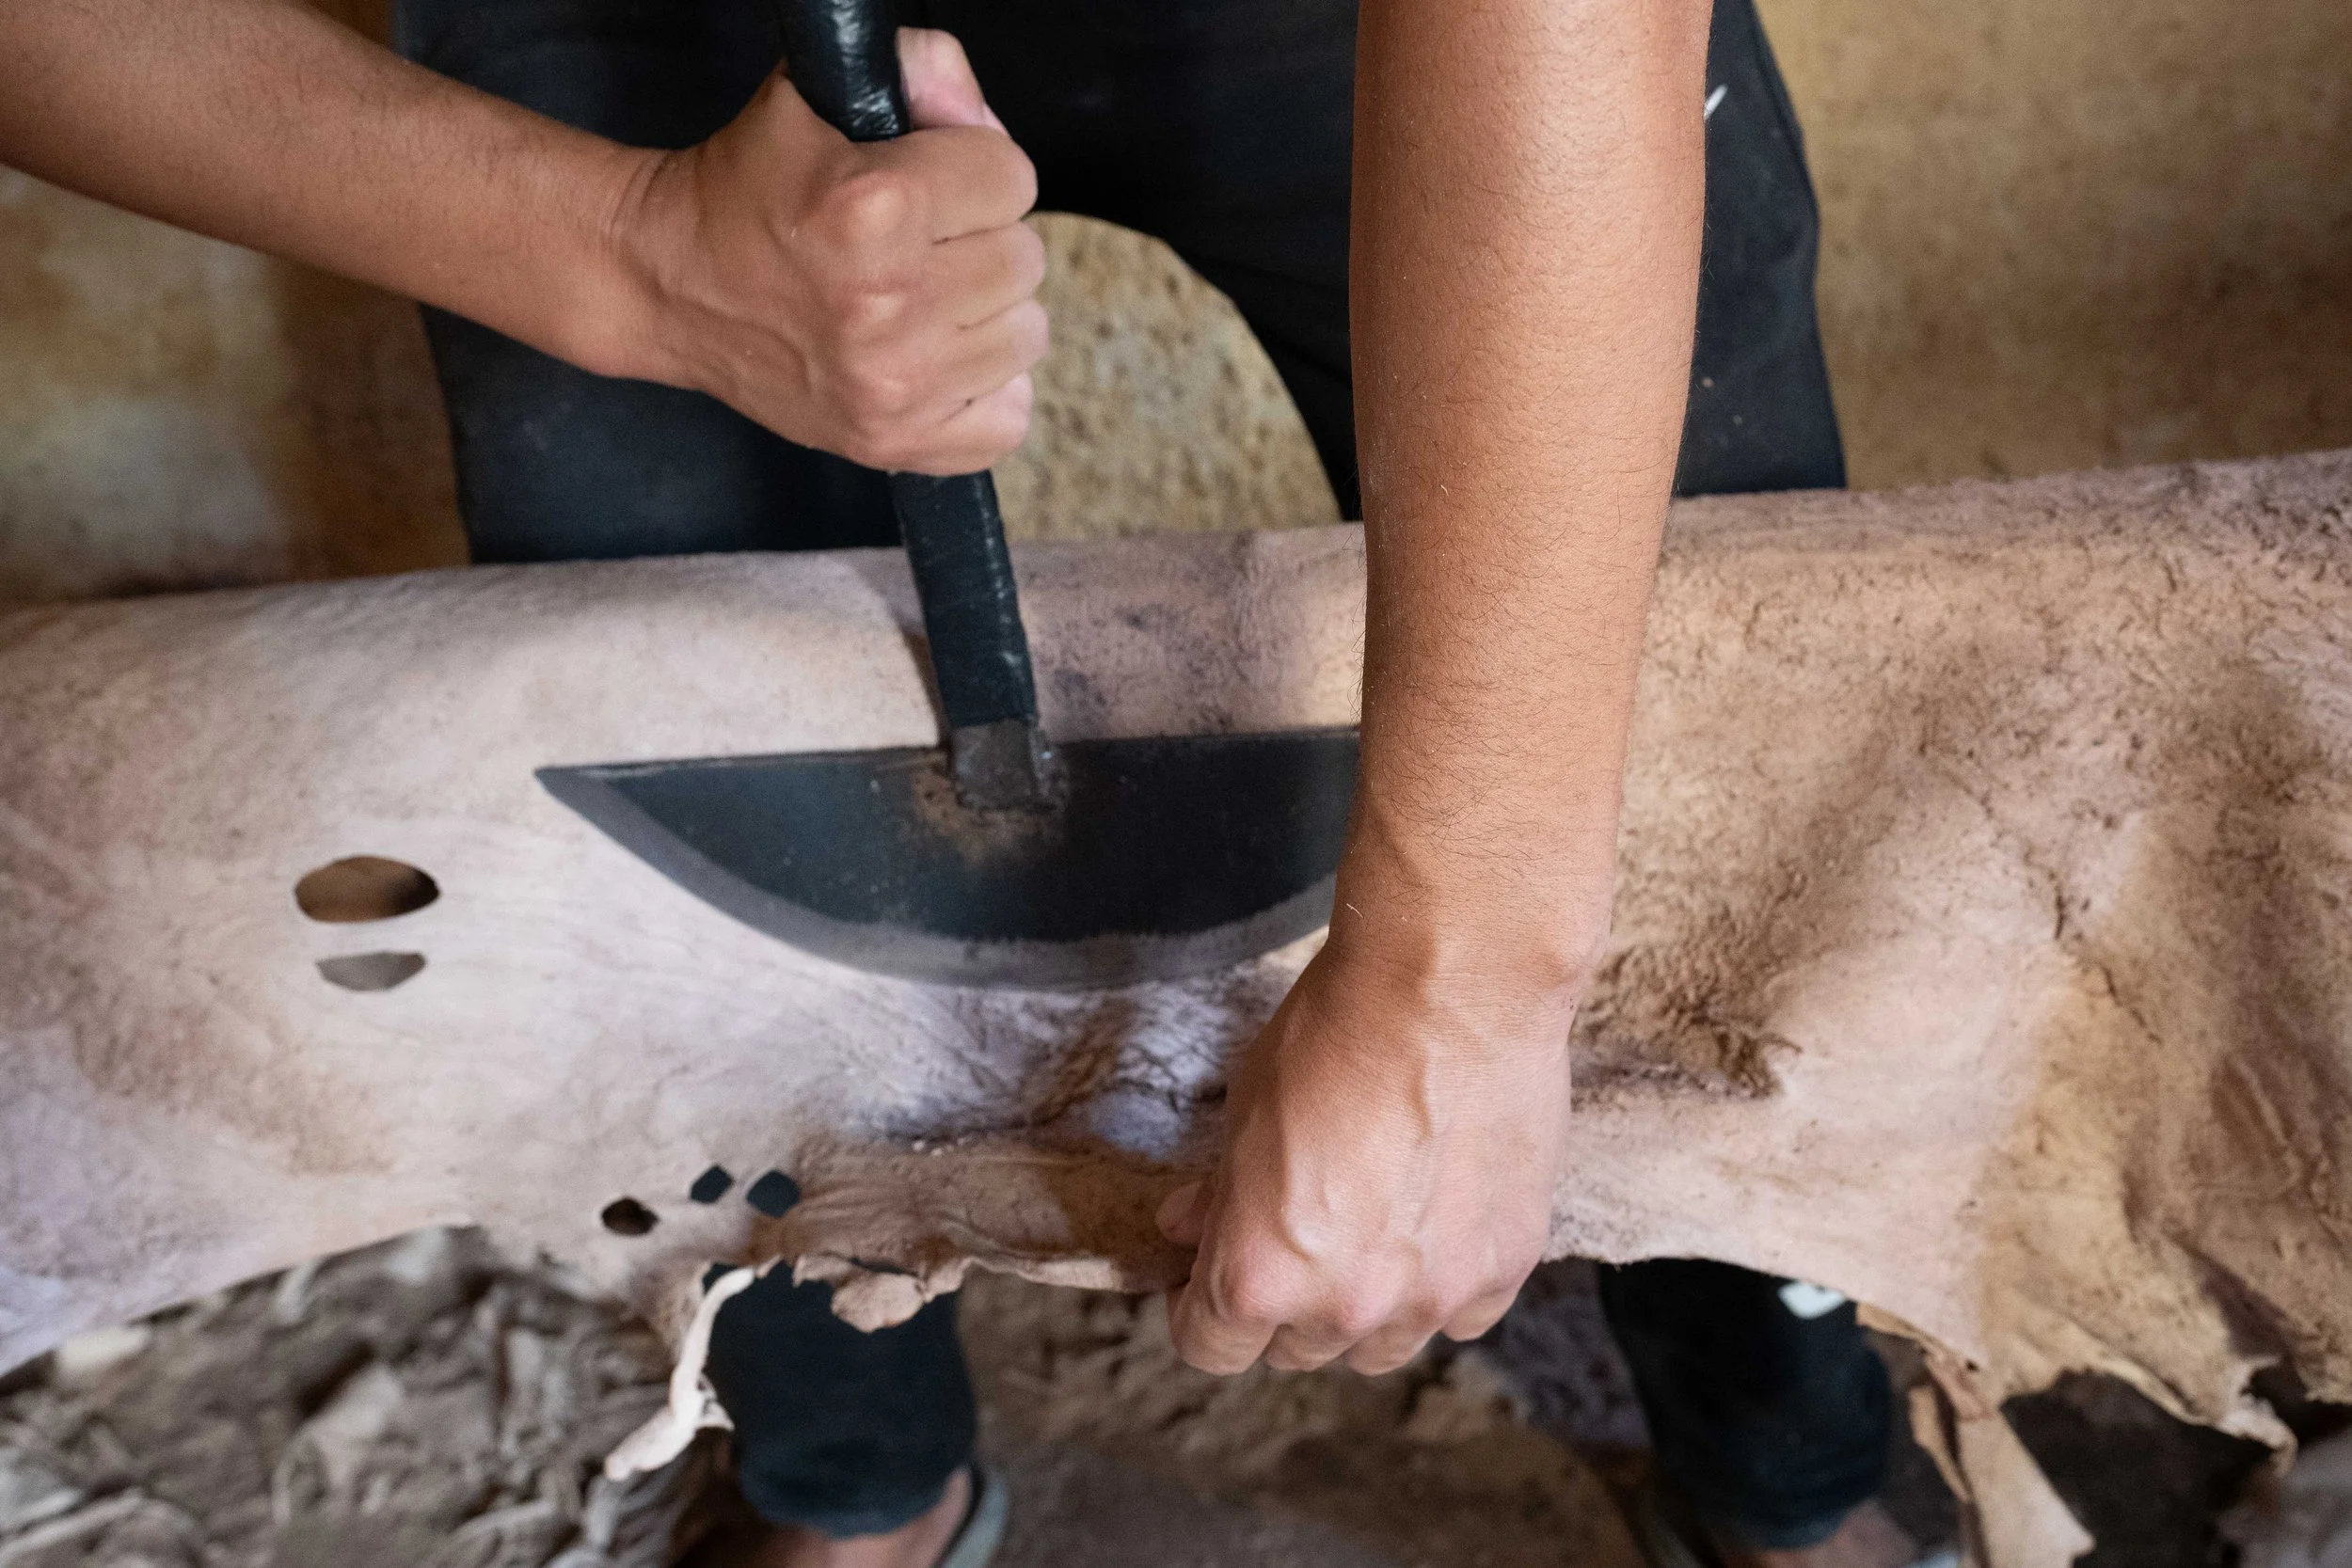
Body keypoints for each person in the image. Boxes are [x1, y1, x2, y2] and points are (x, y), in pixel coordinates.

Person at [0, 0, 1917, 1563]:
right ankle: (847, 1481)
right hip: (635, 35)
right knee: (678, 801)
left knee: (1692, 717)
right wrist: (629, 260)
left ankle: (1786, 1460)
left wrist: (1467, 963)